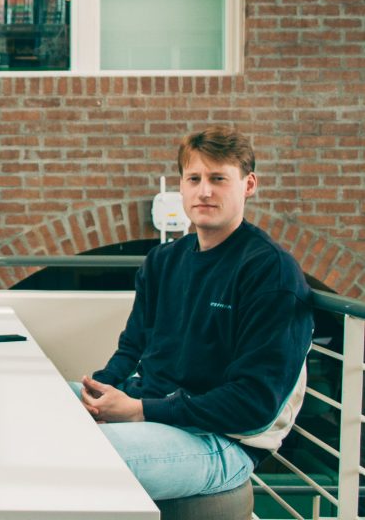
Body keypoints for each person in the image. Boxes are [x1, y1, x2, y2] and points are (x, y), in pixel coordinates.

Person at [77, 126, 314, 501]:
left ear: (248, 185)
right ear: (182, 186)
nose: (204, 191)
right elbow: (133, 345)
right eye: (194, 179)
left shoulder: (270, 272)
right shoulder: (163, 260)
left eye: (218, 178)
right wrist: (98, 391)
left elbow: (254, 403)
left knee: (78, 454)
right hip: (154, 406)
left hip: (223, 440)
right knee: (44, 404)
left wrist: (140, 410)